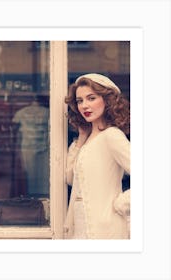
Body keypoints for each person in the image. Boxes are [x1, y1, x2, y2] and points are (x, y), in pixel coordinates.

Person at [64, 73, 131, 239]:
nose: (84, 106)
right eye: (80, 101)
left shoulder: (112, 136)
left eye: (91, 98)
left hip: (106, 228)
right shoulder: (88, 140)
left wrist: (123, 203)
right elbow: (70, 179)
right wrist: (81, 137)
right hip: (81, 227)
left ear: (107, 100)